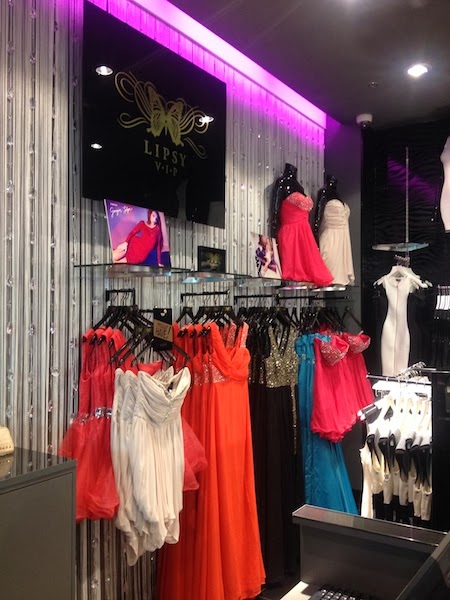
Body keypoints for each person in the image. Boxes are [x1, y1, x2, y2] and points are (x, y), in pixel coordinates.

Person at [270, 163, 305, 237]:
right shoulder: (282, 182)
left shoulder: (300, 188)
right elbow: (276, 209)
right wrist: (273, 235)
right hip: (289, 231)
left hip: (303, 231)